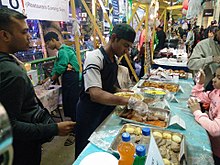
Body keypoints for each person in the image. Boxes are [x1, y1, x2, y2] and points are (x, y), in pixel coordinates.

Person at [0, 7, 75, 165]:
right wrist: (54, 129)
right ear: (5, 35)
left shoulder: (10, 63)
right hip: (20, 150)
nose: (29, 37)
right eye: (24, 32)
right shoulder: (12, 74)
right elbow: (8, 126)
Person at [75, 23, 149, 158]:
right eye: (125, 45)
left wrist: (122, 90)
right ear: (114, 38)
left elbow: (109, 86)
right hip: (90, 112)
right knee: (87, 152)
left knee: (104, 150)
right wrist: (128, 101)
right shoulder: (94, 58)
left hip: (105, 109)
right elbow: (96, 94)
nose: (127, 51)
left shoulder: (113, 59)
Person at [44, 31, 81, 145]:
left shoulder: (64, 51)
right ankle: (74, 128)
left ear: (53, 40)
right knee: (69, 104)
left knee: (73, 104)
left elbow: (61, 67)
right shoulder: (60, 52)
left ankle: (76, 132)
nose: (47, 46)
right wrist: (48, 78)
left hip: (72, 79)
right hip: (68, 79)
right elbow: (57, 66)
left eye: (47, 43)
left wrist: (51, 79)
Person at [187, 67, 220, 165]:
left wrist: (197, 112)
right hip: (211, 142)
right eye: (215, 76)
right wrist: (200, 83)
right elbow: (198, 96)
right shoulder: (216, 92)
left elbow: (215, 129)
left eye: (219, 77)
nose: (213, 80)